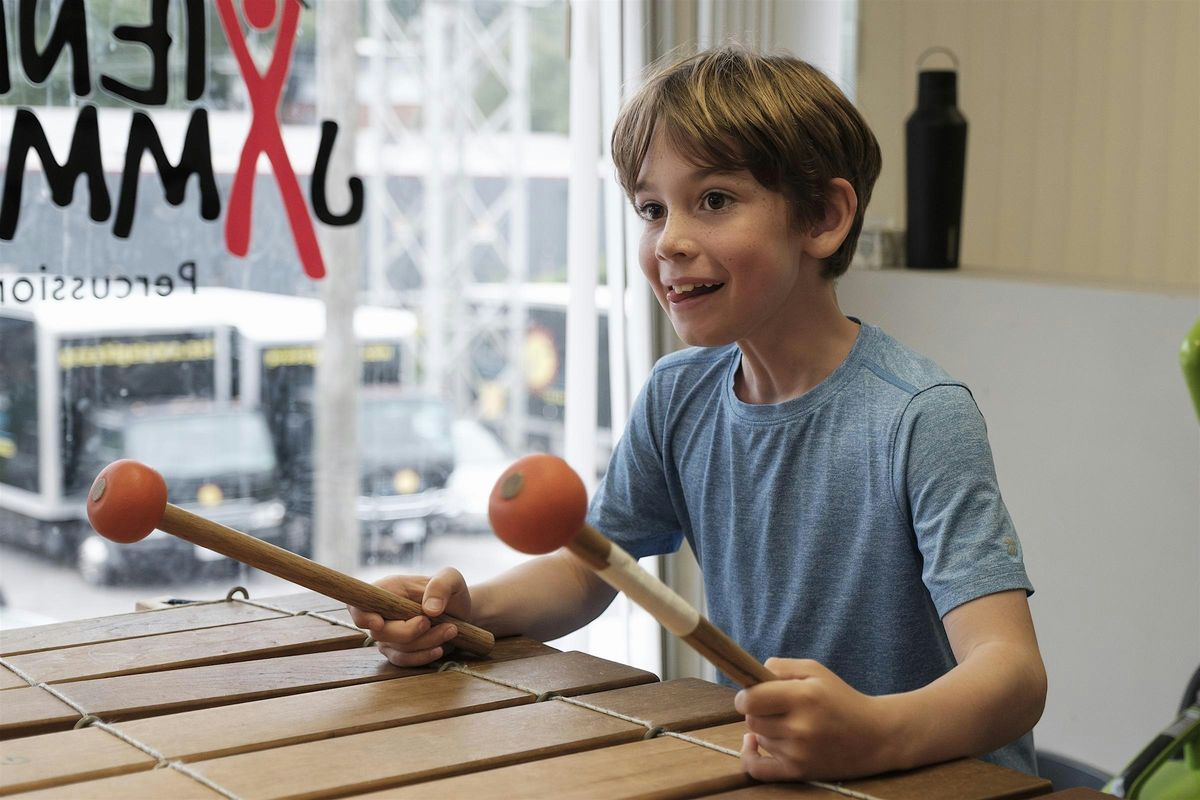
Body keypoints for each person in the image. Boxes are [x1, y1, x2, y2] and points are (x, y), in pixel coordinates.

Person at [349, 45, 1047, 782]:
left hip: (935, 779)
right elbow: (592, 570)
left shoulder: (918, 417)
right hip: (787, 773)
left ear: (824, 217)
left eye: (713, 200)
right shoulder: (679, 395)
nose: (669, 241)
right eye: (653, 208)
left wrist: (875, 732)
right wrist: (465, 613)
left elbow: (1012, 674)